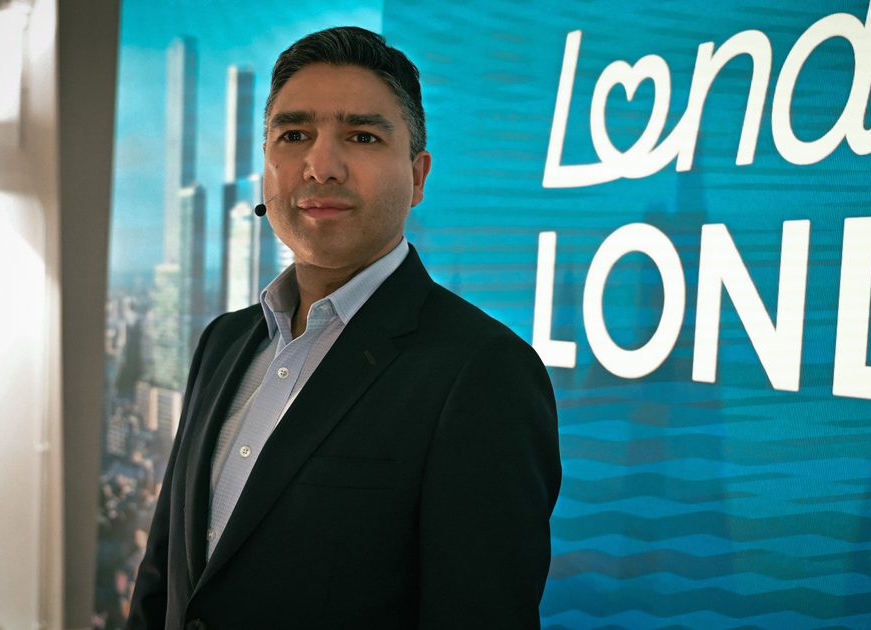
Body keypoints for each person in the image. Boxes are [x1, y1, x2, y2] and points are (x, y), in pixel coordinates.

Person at [127, 26, 561, 629]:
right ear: (265, 167)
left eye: (361, 136)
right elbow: (163, 578)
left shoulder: (482, 372)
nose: (321, 166)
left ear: (418, 176)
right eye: (294, 135)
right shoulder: (223, 341)